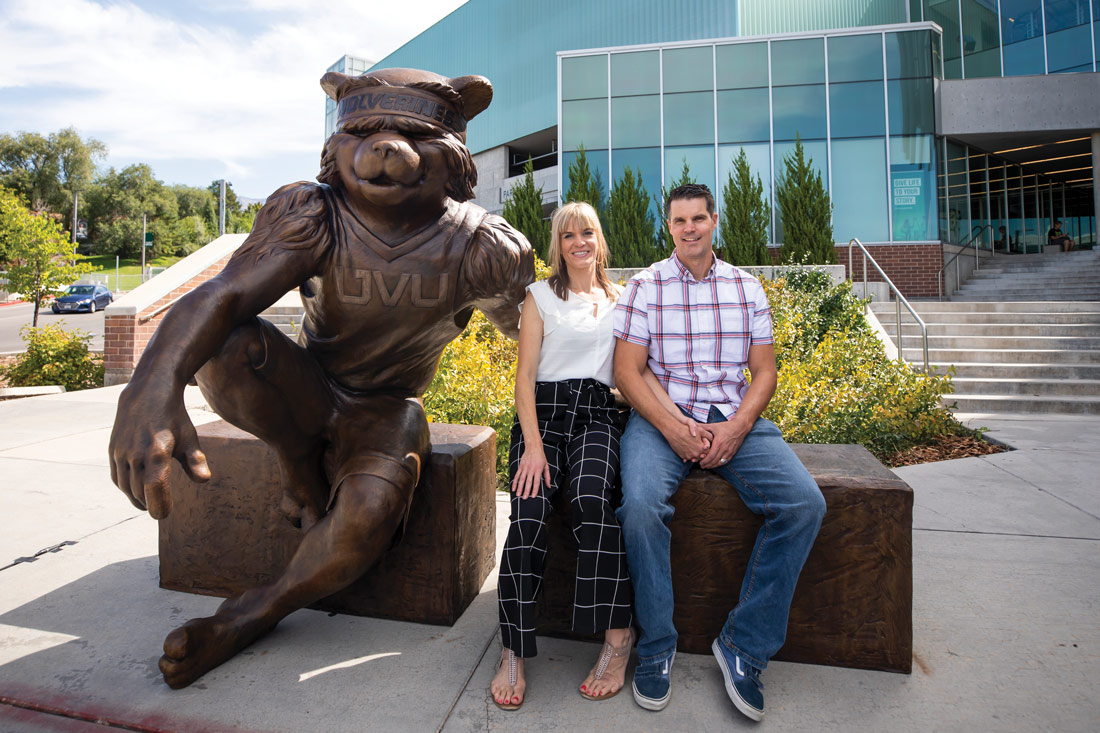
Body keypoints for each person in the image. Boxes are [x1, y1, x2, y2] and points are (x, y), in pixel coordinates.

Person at [107, 68, 535, 689]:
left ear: (454, 157)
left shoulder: (479, 246)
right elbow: (223, 297)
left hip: (388, 408)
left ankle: (252, 613)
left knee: (368, 513)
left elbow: (528, 330)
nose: (385, 148)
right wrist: (151, 385)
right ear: (336, 145)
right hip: (309, 384)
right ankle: (298, 460)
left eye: (410, 135)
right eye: (364, 131)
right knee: (223, 344)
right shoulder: (313, 213)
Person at [612, 183, 827, 721]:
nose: (689, 228)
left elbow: (765, 371)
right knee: (639, 508)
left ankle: (743, 646)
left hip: (734, 418)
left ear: (714, 221)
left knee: (805, 505)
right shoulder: (645, 286)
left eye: (698, 219)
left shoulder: (747, 288)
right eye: (679, 220)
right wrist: (673, 427)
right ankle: (656, 647)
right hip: (661, 419)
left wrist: (736, 427)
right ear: (669, 227)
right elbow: (627, 372)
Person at [490, 202, 692, 710]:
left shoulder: (622, 300)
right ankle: (513, 648)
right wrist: (532, 446)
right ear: (558, 246)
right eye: (567, 235)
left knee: (590, 500)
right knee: (531, 509)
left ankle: (618, 639)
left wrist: (678, 420)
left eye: (587, 233)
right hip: (544, 416)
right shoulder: (539, 298)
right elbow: (524, 380)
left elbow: (636, 373)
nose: (578, 242)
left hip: (600, 417)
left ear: (599, 240)